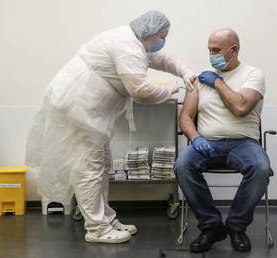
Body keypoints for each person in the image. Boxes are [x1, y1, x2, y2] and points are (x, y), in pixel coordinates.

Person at [25, 10, 196, 244]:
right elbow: (141, 91)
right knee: (90, 168)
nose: (163, 41)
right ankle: (97, 229)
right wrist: (170, 89)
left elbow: (161, 58)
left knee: (102, 164)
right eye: (162, 36)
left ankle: (106, 219)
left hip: (89, 111)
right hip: (80, 107)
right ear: (151, 33)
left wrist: (184, 71)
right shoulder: (127, 46)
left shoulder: (137, 41)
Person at [174, 28, 273, 253]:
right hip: (207, 142)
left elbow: (240, 107)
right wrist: (195, 137)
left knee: (261, 169)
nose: (211, 55)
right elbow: (186, 117)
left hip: (243, 143)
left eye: (216, 50)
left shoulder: (253, 75)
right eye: (209, 49)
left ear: (234, 50)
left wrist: (218, 83)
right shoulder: (199, 79)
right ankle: (211, 227)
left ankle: (236, 227)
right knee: (182, 166)